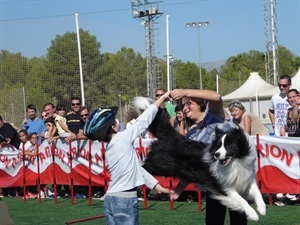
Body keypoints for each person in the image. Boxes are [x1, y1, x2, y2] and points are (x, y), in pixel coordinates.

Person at [83, 92, 171, 225]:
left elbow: (136, 168)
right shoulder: (123, 138)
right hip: (125, 200)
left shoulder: (109, 149)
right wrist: (162, 99)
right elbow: (144, 119)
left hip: (110, 198)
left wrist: (158, 187)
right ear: (112, 127)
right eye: (115, 122)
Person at [169, 88, 247, 225]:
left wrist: (185, 92)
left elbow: (216, 96)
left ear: (200, 104)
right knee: (213, 221)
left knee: (238, 220)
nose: (185, 109)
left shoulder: (213, 114)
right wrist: (179, 188)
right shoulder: (191, 135)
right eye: (183, 106)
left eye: (189, 104)